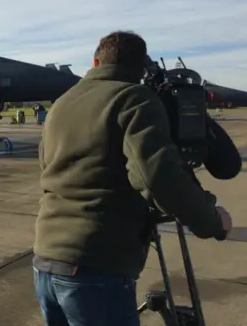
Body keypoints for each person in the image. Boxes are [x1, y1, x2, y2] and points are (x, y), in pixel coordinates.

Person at [32, 30, 236, 326]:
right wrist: (213, 221)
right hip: (96, 267)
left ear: (95, 61)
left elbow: (47, 165)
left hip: (46, 263)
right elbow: (157, 176)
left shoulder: (62, 103)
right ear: (141, 68)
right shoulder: (133, 98)